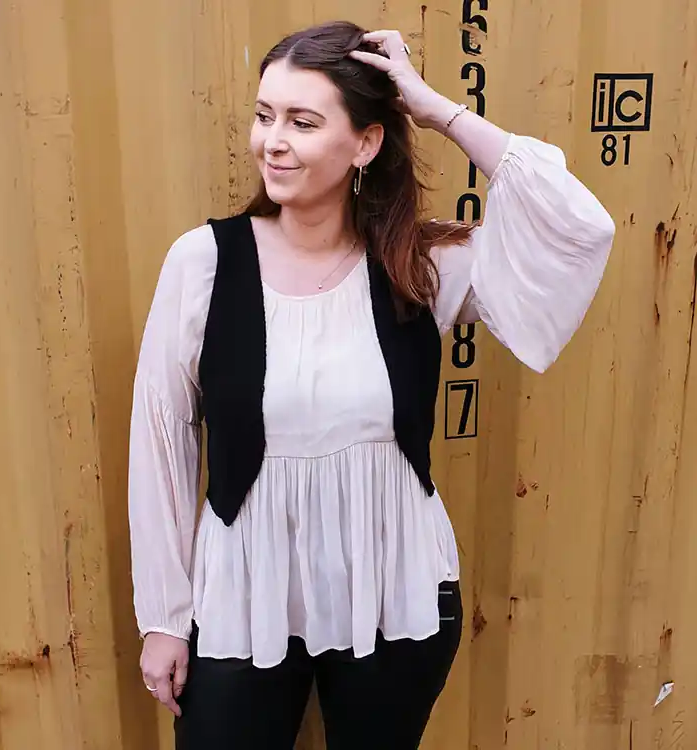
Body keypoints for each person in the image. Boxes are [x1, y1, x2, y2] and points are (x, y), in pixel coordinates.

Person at [127, 20, 615, 750]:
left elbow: (577, 228)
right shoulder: (204, 262)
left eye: (302, 122)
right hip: (245, 599)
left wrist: (435, 109)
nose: (273, 141)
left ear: (365, 143)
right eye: (265, 116)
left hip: (397, 596)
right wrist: (165, 618)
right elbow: (162, 437)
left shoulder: (420, 263)